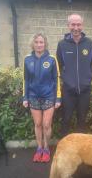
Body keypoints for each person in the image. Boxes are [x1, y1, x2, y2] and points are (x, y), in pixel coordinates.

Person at [23, 33, 61, 163]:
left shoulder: (51, 59)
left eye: (41, 42)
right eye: (37, 42)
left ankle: (46, 148)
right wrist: (25, 97)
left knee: (46, 124)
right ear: (33, 44)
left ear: (45, 44)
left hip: (49, 96)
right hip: (33, 96)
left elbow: (56, 79)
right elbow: (26, 80)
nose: (39, 45)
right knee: (38, 124)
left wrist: (58, 98)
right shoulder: (27, 59)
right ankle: (39, 148)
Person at [56, 13, 92, 137]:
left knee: (82, 120)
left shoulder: (89, 43)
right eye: (73, 24)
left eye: (78, 24)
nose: (76, 27)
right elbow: (59, 65)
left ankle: (81, 148)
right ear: (68, 25)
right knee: (66, 119)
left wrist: (88, 78)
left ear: (82, 26)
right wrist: (66, 79)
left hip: (84, 90)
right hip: (68, 90)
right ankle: (63, 147)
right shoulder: (62, 44)